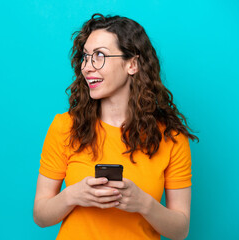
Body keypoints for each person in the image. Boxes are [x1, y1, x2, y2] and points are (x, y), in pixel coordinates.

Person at [33, 13, 198, 240]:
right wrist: (72, 195)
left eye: (99, 55)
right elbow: (41, 216)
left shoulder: (171, 137)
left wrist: (144, 204)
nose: (87, 67)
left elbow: (180, 230)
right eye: (85, 57)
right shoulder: (65, 127)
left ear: (132, 63)